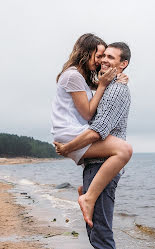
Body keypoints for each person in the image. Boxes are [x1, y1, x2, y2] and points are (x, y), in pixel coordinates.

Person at [55, 42, 132, 249]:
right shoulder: (103, 86)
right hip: (96, 164)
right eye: (103, 56)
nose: (104, 60)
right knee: (95, 231)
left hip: (103, 164)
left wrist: (68, 148)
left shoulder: (115, 90)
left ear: (123, 64)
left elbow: (98, 130)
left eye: (111, 58)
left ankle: (87, 195)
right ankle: (86, 194)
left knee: (101, 233)